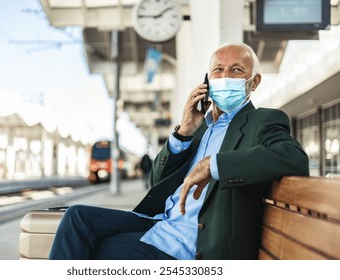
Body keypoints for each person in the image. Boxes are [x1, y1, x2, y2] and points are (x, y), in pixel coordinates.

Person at [49, 42, 309, 260]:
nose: (225, 76)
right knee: (76, 218)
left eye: (237, 70)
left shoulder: (262, 121)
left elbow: (293, 158)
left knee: (93, 252)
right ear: (207, 81)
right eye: (218, 70)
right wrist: (183, 132)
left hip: (190, 243)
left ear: (254, 82)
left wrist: (213, 165)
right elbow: (155, 182)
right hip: (160, 223)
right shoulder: (200, 127)